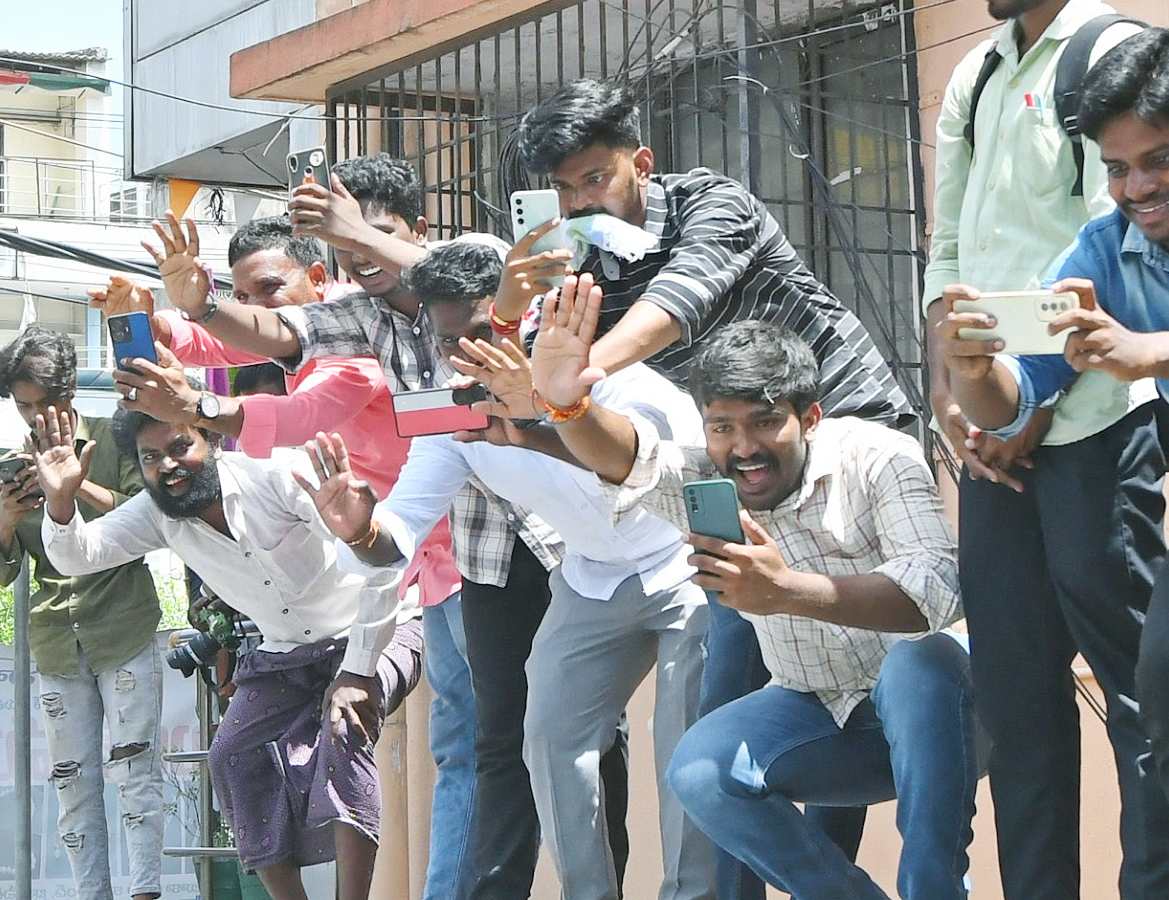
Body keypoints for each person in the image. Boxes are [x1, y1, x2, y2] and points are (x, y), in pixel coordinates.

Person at [132, 155, 630, 900]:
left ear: (418, 229)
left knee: (581, 738)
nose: (357, 254)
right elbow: (273, 334)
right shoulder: (362, 321)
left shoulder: (486, 265)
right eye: (343, 245)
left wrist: (349, 230)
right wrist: (194, 312)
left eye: (374, 233)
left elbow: (491, 284)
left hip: (574, 542)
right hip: (466, 555)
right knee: (492, 748)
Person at [498, 77, 919, 891]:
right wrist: (520, 292)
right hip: (732, 471)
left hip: (848, 439)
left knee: (847, 688)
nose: (580, 200)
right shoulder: (577, 261)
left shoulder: (713, 206)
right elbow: (516, 360)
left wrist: (575, 372)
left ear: (641, 162)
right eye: (560, 187)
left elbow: (677, 304)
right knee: (725, 695)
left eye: (594, 179)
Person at [460, 277, 978, 899]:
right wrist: (567, 407)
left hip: (946, 724)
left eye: (764, 423)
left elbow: (938, 588)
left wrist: (787, 590)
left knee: (921, 663)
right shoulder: (708, 481)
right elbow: (630, 456)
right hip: (829, 726)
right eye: (722, 428)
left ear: (809, 417)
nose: (745, 448)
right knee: (701, 771)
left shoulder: (879, 456)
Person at [300, 270, 715, 900]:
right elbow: (400, 530)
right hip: (593, 580)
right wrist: (360, 531)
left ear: (529, 322)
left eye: (484, 332)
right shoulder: (451, 412)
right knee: (547, 743)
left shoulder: (611, 380)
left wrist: (532, 420)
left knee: (682, 745)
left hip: (687, 563)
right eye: (449, 342)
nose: (469, 355)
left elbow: (631, 471)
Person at [924, 2, 1169, 895]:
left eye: (1152, 163)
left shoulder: (1112, 51)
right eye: (1120, 168)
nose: (1136, 184)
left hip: (1102, 427)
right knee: (1019, 707)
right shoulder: (978, 73)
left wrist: (1118, 366)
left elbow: (1127, 289)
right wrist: (961, 393)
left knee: (1147, 701)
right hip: (999, 433)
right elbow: (950, 252)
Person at [31, 402, 424, 900]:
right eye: (151, 458)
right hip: (287, 652)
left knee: (344, 727)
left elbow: (384, 567)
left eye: (180, 447)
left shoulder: (280, 477)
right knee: (232, 756)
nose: (168, 466)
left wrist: (359, 668)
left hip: (380, 629)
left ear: (211, 441)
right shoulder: (156, 514)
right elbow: (75, 555)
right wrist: (61, 502)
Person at [0, 326, 163, 900]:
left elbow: (148, 518)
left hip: (123, 620)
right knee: (72, 782)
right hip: (57, 635)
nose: (36, 416)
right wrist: (6, 524)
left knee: (136, 772)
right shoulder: (12, 464)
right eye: (23, 405)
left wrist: (75, 485)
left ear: (69, 393)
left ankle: (146, 892)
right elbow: (0, 571)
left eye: (45, 402)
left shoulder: (117, 435)